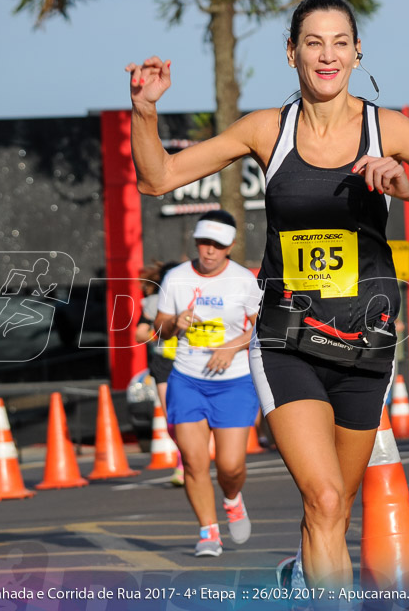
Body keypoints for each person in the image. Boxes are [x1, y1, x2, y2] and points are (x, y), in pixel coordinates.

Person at [125, 0, 409, 590]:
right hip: (287, 340)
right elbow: (157, 178)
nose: (327, 56)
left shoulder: (389, 128)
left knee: (334, 511)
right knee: (323, 499)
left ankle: (305, 583)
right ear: (291, 52)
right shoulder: (266, 130)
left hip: (366, 346)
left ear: (356, 53)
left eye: (340, 44)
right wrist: (144, 112)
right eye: (313, 44)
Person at [153, 210, 261, 557]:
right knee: (194, 461)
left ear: (229, 247)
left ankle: (232, 500)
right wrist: (175, 323)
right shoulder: (176, 278)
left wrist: (232, 347)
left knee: (230, 465)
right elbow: (160, 327)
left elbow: (264, 328)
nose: (210, 251)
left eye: (218, 245)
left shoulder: (244, 280)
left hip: (234, 382)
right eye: (204, 243)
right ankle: (208, 533)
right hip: (187, 379)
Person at [135, 259, 182, 485]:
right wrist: (163, 334)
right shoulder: (153, 303)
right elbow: (139, 334)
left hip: (194, 363)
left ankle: (190, 460)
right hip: (165, 362)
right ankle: (183, 464)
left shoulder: (197, 297)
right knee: (171, 417)